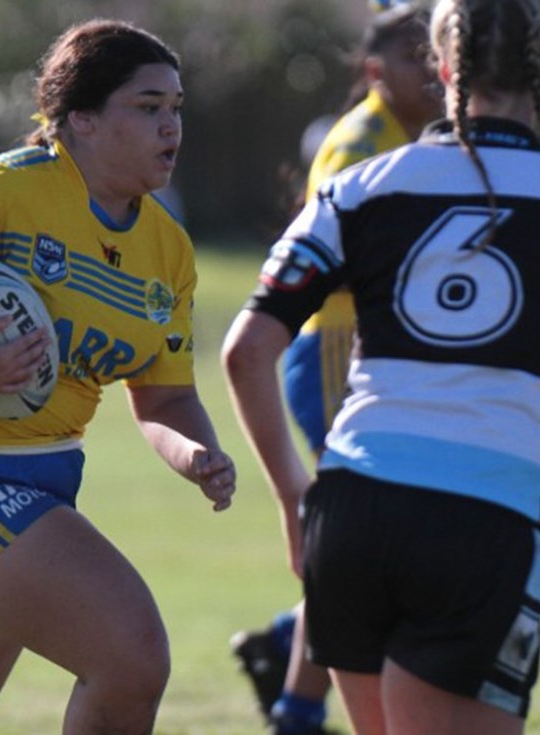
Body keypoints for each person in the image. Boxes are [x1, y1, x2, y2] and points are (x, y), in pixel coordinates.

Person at [0, 18, 236, 735]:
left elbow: (165, 395)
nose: (171, 126)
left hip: (42, 479)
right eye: (148, 106)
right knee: (131, 656)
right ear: (81, 118)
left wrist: (195, 454)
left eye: (176, 108)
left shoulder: (168, 250)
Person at [223, 0, 540, 732]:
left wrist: (293, 498)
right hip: (483, 519)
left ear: (443, 69)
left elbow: (245, 349)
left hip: (350, 511)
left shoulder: (361, 184)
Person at [230, 4, 443, 734]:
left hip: (380, 353)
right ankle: (297, 703)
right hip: (335, 349)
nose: (431, 71)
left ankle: (288, 650)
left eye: (434, 53)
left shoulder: (419, 138)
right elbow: (328, 261)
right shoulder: (359, 145)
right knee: (360, 534)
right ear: (375, 72)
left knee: (373, 539)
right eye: (413, 58)